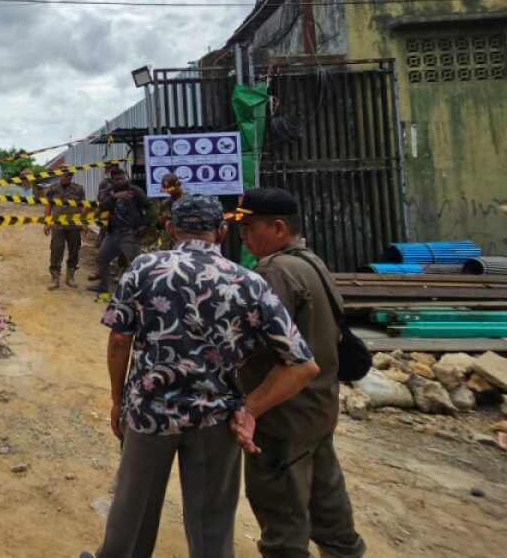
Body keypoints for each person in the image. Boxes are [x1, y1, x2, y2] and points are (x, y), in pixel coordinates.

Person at [87, 194, 320, 558]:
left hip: (149, 413)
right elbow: (303, 365)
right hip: (215, 418)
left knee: (132, 512)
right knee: (212, 525)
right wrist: (250, 410)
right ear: (222, 231)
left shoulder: (144, 268)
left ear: (170, 228)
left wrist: (119, 401)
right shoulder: (249, 282)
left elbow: (120, 339)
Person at [234, 187, 366, 558]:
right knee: (329, 508)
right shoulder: (311, 262)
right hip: (318, 407)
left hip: (282, 417)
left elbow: (256, 343)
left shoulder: (274, 271)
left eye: (250, 227)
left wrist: (248, 407)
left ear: (278, 228)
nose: (243, 236)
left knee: (282, 518)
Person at [88, 168, 151, 293]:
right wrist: (114, 197)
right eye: (117, 179)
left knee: (136, 263)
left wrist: (145, 224)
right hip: (112, 234)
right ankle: (103, 286)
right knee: (102, 257)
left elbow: (149, 207)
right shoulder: (108, 192)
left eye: (122, 178)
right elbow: (102, 207)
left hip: (130, 235)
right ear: (112, 181)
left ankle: (140, 291)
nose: (121, 181)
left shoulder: (135, 191)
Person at [44, 170, 87, 290]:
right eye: (66, 174)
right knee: (56, 250)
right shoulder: (52, 188)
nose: (68, 176)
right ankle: (55, 277)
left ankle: (70, 276)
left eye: (70, 175)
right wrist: (47, 222)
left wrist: (84, 223)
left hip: (74, 225)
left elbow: (83, 206)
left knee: (74, 250)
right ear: (60, 174)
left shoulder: (78, 189)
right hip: (57, 225)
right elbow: (48, 206)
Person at [156, 173, 184, 250]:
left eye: (171, 189)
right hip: (167, 245)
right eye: (166, 190)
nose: (169, 192)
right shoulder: (165, 203)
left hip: (183, 243)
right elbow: (159, 226)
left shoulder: (190, 201)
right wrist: (161, 221)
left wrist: (173, 219)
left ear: (179, 185)